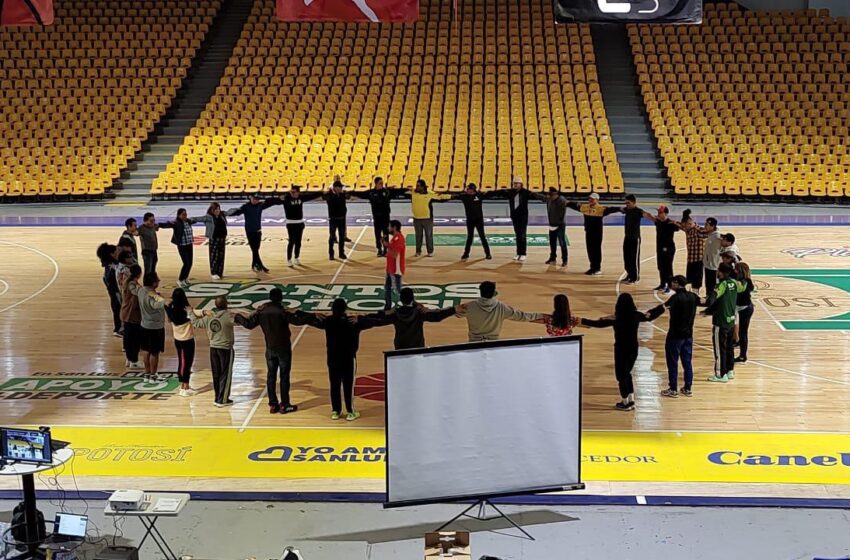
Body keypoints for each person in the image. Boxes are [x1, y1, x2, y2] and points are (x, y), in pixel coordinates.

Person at [300, 298, 384, 420]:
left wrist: (312, 314)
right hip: (348, 358)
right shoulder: (353, 322)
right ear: (345, 309)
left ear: (332, 309)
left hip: (332, 358)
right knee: (348, 386)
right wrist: (361, 318)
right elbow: (374, 322)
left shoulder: (328, 321)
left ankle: (335, 411)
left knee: (334, 385)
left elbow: (310, 321)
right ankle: (350, 411)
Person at [581, 293, 665, 411]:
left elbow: (596, 324)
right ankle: (631, 400)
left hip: (621, 349)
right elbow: (649, 316)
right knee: (627, 373)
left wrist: (580, 320)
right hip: (633, 348)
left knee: (621, 375)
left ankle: (625, 402)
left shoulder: (616, 318)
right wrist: (662, 307)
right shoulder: (636, 315)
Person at [235, 288, 312, 414]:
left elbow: (249, 324)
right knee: (284, 376)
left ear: (270, 297)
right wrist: (304, 314)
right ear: (281, 298)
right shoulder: (282, 311)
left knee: (271, 376)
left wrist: (238, 316)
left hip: (270, 348)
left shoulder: (262, 311)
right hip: (283, 349)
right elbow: (297, 321)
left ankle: (273, 404)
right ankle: (285, 404)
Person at [361, 287, 460, 349]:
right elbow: (437, 316)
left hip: (401, 347)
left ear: (401, 300)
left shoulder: (395, 314)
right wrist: (454, 309)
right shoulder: (419, 313)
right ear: (413, 299)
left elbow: (378, 321)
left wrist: (362, 318)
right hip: (417, 347)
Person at [651, 275, 699, 398]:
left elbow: (662, 308)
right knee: (687, 362)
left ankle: (673, 388)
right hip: (688, 335)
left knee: (672, 362)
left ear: (676, 283)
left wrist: (648, 315)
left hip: (675, 335)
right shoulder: (693, 296)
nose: (671, 285)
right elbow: (705, 302)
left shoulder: (675, 298)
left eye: (672, 283)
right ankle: (688, 388)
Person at [456, 281, 545, 342]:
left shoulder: (469, 306)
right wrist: (541, 315)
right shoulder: (501, 307)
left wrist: (455, 308)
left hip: (474, 342)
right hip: (493, 343)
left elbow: (456, 314)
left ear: (480, 292)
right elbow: (522, 316)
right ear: (494, 293)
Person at [703, 262, 745, 383]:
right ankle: (730, 370)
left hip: (721, 321)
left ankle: (720, 374)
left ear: (720, 272)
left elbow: (714, 296)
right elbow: (744, 286)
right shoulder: (734, 283)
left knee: (719, 349)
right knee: (729, 347)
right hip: (731, 320)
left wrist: (705, 303)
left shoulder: (722, 284)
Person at [191, 296, 236, 407]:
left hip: (213, 349)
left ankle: (217, 397)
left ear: (215, 305)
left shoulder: (209, 317)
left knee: (216, 374)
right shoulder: (228, 317)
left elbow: (196, 323)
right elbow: (243, 322)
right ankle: (222, 400)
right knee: (225, 374)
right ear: (226, 304)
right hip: (225, 349)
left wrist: (190, 313)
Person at [567, 193, 620, 275]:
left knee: (596, 250)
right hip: (588, 232)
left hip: (597, 234)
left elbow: (611, 209)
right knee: (590, 250)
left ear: (597, 200)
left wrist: (620, 209)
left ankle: (597, 268)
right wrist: (566, 203)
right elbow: (575, 206)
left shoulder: (600, 209)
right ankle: (592, 267)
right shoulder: (585, 207)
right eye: (590, 199)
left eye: (592, 199)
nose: (590, 200)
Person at [350, 177, 403, 256]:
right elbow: (361, 194)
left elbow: (398, 191)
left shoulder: (387, 191)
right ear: (376, 184)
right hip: (377, 217)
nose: (382, 184)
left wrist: (407, 191)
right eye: (380, 183)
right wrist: (352, 195)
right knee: (377, 234)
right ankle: (379, 249)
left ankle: (385, 249)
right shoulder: (371, 193)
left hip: (385, 217)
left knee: (386, 233)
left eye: (382, 183)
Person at [130, 272, 167, 380]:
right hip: (155, 327)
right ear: (154, 283)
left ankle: (147, 371)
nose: (159, 281)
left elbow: (133, 288)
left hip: (144, 325)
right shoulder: (152, 295)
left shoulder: (141, 290)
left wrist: (132, 280)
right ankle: (153, 373)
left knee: (146, 350)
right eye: (158, 280)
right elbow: (155, 305)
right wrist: (163, 300)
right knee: (155, 352)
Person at [228, 193, 277, 272]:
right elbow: (237, 212)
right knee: (254, 249)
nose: (255, 200)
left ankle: (254, 264)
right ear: (250, 198)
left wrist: (280, 199)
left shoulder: (260, 205)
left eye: (257, 199)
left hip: (258, 230)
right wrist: (226, 213)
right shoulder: (246, 206)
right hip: (249, 231)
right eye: (254, 199)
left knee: (256, 249)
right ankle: (260, 265)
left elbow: (270, 203)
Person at [164, 288, 198, 397]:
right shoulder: (185, 312)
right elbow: (194, 315)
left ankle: (184, 385)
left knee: (184, 362)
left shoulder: (171, 309)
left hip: (178, 339)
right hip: (186, 340)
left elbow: (165, 305)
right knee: (185, 364)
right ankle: (184, 387)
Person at [487, 176, 531, 261]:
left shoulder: (526, 192)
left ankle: (523, 253)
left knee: (522, 235)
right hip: (515, 217)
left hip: (523, 217)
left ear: (521, 184)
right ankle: (518, 253)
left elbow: (536, 196)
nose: (515, 185)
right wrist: (488, 193)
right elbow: (499, 192)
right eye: (514, 183)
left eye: (516, 183)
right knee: (517, 235)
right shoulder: (510, 192)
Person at [280, 186, 322, 266]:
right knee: (291, 241)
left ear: (298, 192)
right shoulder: (286, 199)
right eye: (291, 192)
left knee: (298, 242)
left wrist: (321, 192)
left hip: (299, 223)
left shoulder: (301, 198)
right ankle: (289, 259)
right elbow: (276, 201)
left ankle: (296, 257)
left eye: (294, 192)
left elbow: (311, 196)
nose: (292, 193)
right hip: (290, 223)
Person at [410, 179, 452, 257]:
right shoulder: (413, 193)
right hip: (416, 218)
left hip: (427, 219)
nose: (416, 187)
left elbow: (440, 197)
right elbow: (401, 191)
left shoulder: (429, 194)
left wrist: (451, 196)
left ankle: (430, 251)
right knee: (418, 236)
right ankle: (418, 251)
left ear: (422, 187)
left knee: (428, 235)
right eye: (416, 185)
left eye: (418, 186)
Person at [643, 205, 679, 294]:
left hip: (669, 248)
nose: (659, 214)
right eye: (658, 212)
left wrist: (676, 223)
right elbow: (650, 216)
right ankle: (662, 284)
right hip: (659, 248)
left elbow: (679, 227)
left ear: (666, 213)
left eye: (660, 212)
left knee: (668, 268)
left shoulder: (670, 223)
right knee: (661, 267)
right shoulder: (658, 222)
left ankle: (670, 286)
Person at [158, 208, 195, 288]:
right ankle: (180, 279)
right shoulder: (176, 222)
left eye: (186, 214)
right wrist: (158, 225)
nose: (185, 216)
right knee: (186, 263)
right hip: (182, 245)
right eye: (183, 214)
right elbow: (167, 225)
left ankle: (185, 278)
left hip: (189, 245)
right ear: (179, 215)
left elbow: (194, 220)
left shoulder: (188, 221)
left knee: (190, 263)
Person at [453, 183, 491, 260]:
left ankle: (488, 254)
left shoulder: (479, 195)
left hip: (479, 219)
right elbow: (453, 196)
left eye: (468, 189)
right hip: (470, 220)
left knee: (482, 236)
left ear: (472, 189)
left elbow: (490, 194)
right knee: (470, 237)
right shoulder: (464, 196)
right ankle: (466, 254)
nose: (466, 190)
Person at [532, 187, 569, 267]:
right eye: (549, 195)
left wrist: (558, 223)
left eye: (551, 195)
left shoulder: (562, 200)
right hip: (552, 224)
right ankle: (552, 258)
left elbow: (562, 213)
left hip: (560, 225)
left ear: (556, 194)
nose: (549, 196)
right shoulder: (549, 199)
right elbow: (542, 197)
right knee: (552, 243)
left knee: (562, 243)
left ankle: (565, 260)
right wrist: (533, 193)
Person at [192, 202, 228, 280]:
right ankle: (214, 272)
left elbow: (230, 212)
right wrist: (188, 220)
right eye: (216, 209)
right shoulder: (209, 217)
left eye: (218, 209)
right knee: (214, 256)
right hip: (214, 239)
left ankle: (219, 272)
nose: (217, 211)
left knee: (221, 256)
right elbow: (198, 218)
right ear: (212, 210)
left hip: (222, 238)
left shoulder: (222, 215)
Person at [676, 209, 708, 292]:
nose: (684, 227)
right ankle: (690, 294)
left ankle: (695, 294)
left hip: (698, 260)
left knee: (697, 281)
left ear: (689, 224)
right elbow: (680, 226)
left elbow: (708, 233)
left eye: (685, 225)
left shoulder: (698, 231)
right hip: (690, 259)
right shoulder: (688, 229)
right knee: (689, 280)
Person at [119, 264, 144, 369]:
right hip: (132, 315)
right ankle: (134, 360)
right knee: (134, 339)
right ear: (139, 274)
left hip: (126, 313)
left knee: (128, 338)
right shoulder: (133, 284)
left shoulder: (126, 281)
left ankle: (129, 359)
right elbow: (137, 293)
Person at [97, 243, 123, 337]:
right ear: (112, 254)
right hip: (116, 292)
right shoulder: (112, 267)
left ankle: (119, 328)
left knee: (118, 308)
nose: (118, 252)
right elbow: (108, 279)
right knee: (118, 308)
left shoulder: (111, 265)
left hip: (115, 291)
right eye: (116, 251)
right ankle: (119, 329)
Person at [735, 262, 755, 364]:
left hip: (746, 309)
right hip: (741, 307)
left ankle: (743, 356)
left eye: (736, 269)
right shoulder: (744, 281)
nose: (734, 271)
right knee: (740, 332)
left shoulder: (745, 282)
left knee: (743, 332)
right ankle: (739, 343)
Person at [383, 220, 406, 310]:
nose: (388, 228)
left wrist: (387, 253)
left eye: (389, 226)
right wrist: (386, 245)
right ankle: (387, 306)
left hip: (396, 269)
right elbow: (392, 248)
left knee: (399, 290)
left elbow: (395, 254)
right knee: (387, 287)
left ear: (394, 227)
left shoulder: (399, 239)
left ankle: (411, 304)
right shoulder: (395, 238)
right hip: (390, 268)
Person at [621, 194, 644, 284]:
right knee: (627, 257)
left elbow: (647, 215)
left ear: (634, 202)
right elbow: (620, 209)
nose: (626, 204)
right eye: (626, 203)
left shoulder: (638, 211)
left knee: (634, 258)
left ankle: (635, 277)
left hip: (635, 238)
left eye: (628, 203)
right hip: (627, 237)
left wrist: (657, 220)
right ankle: (629, 274)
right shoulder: (627, 210)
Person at [325, 180, 350, 260]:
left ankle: (341, 253)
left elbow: (348, 196)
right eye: (339, 187)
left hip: (342, 219)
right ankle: (331, 253)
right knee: (332, 236)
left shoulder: (342, 195)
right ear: (335, 188)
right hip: (333, 219)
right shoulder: (330, 195)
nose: (341, 189)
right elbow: (328, 199)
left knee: (342, 237)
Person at [702, 217, 722, 294]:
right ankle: (708, 298)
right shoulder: (710, 235)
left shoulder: (717, 237)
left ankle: (712, 301)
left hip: (714, 266)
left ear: (713, 226)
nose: (705, 226)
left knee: (712, 285)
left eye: (707, 225)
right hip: (708, 265)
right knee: (708, 285)